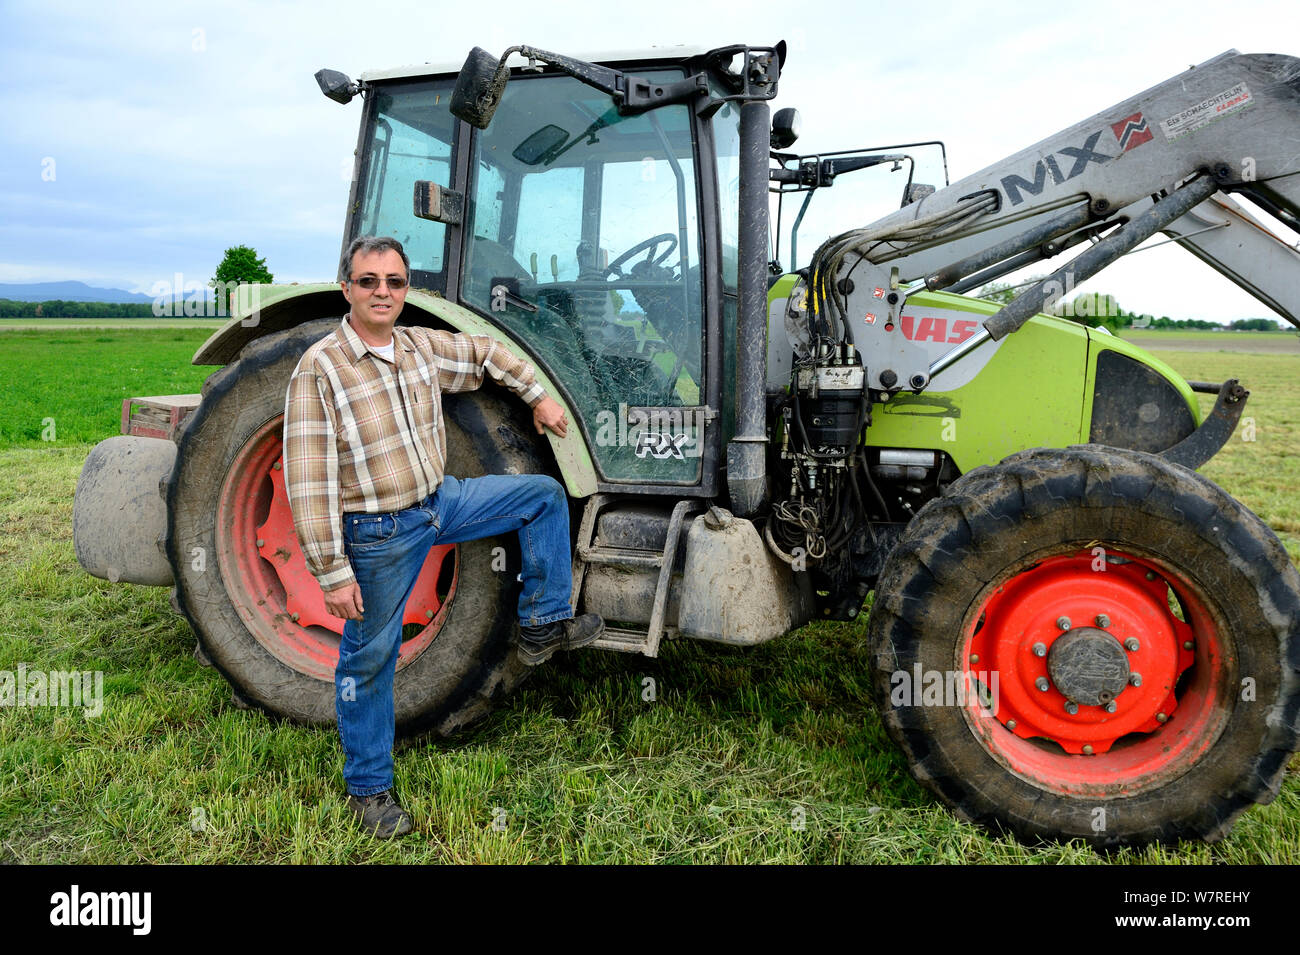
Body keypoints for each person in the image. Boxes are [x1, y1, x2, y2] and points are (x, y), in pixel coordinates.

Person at [282, 235, 603, 839]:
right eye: (369, 281)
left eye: (395, 282)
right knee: (369, 660)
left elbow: (485, 352)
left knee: (541, 496)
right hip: (378, 530)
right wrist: (332, 571)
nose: (383, 292)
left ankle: (541, 622)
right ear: (346, 287)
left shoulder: (418, 347)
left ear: (406, 290)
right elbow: (308, 479)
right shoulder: (319, 369)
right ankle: (370, 790)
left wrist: (536, 398)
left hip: (439, 504)